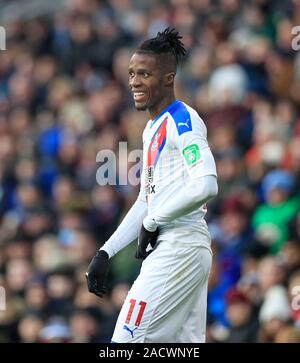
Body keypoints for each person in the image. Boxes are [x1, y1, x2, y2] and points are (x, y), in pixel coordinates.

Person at [86, 28, 218, 343]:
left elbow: (207, 184)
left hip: (179, 248)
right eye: (131, 73)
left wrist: (154, 221)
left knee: (124, 345)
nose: (133, 81)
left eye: (144, 73)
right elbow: (148, 200)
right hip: (180, 249)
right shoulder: (151, 128)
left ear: (168, 78)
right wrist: (106, 251)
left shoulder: (182, 120)